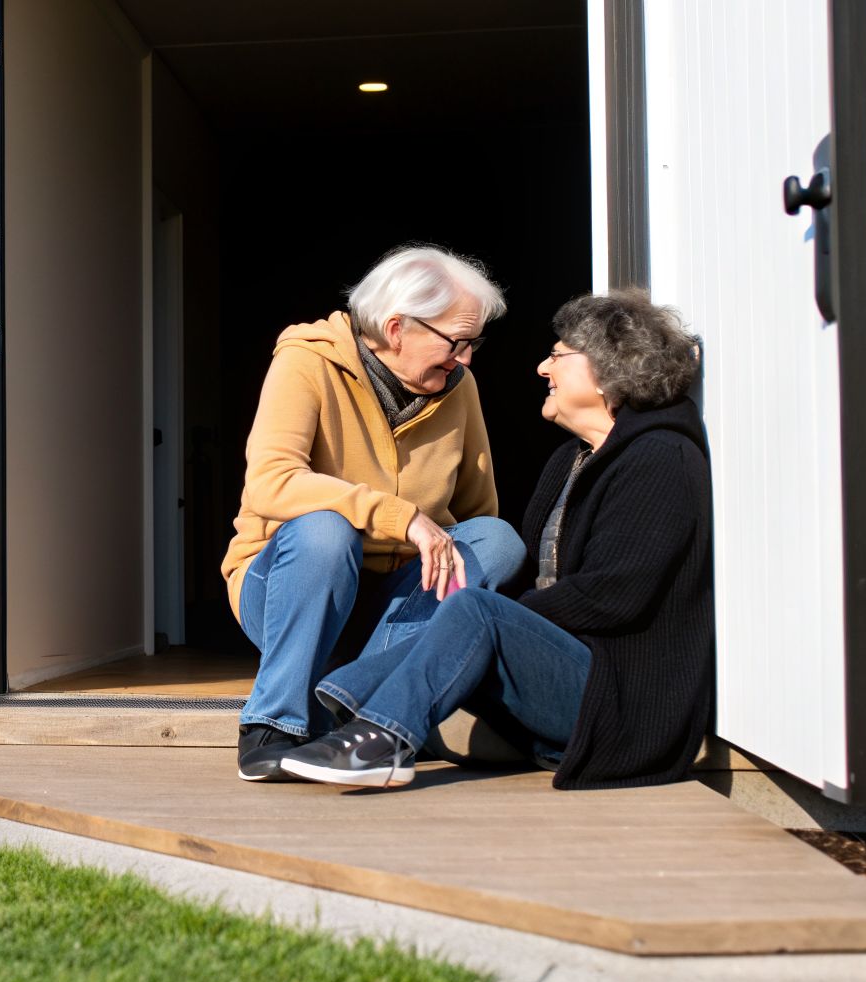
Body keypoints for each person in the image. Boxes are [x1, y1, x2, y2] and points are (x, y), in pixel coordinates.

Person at [278, 288, 714, 790]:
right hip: (570, 677)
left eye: (557, 356)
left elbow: (614, 596)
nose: (541, 369)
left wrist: (507, 618)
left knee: (477, 609)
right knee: (468, 606)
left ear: (607, 370)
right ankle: (357, 711)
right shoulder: (570, 461)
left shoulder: (660, 459)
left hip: (620, 704)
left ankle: (376, 733)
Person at [223, 244, 527, 782]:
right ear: (396, 329)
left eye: (474, 342)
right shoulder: (306, 362)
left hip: (394, 606)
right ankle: (273, 725)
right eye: (457, 341)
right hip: (294, 587)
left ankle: (362, 705)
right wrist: (399, 516)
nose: (467, 357)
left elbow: (478, 513)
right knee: (324, 529)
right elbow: (271, 481)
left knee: (497, 540)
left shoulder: (461, 389)